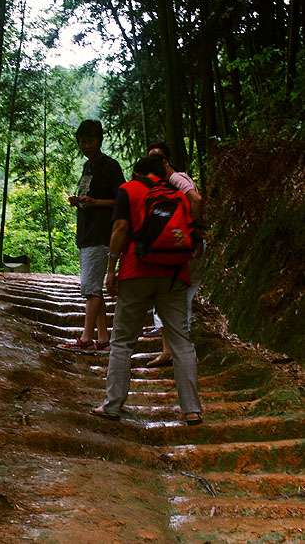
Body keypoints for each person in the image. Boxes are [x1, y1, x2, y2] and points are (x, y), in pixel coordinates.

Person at [91, 154, 203, 425]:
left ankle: (113, 405)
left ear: (137, 172)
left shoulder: (128, 190)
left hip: (136, 272)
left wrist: (111, 269)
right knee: (181, 342)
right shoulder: (177, 191)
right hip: (174, 273)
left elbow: (120, 228)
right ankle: (192, 410)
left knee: (122, 341)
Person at [57, 120, 125, 352]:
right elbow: (91, 197)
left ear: (100, 140)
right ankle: (104, 340)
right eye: (82, 141)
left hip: (100, 233)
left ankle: (86, 339)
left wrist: (96, 202)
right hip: (87, 232)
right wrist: (79, 202)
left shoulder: (110, 166)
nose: (85, 145)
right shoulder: (88, 167)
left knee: (89, 287)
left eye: (90, 140)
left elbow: (121, 201)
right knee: (93, 287)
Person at [143, 142, 206, 368]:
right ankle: (171, 351)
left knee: (174, 297)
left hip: (184, 246)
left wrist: (197, 234)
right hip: (181, 245)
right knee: (174, 297)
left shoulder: (176, 179)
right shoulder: (167, 182)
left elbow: (196, 200)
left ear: (166, 161)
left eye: (157, 158)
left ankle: (179, 353)